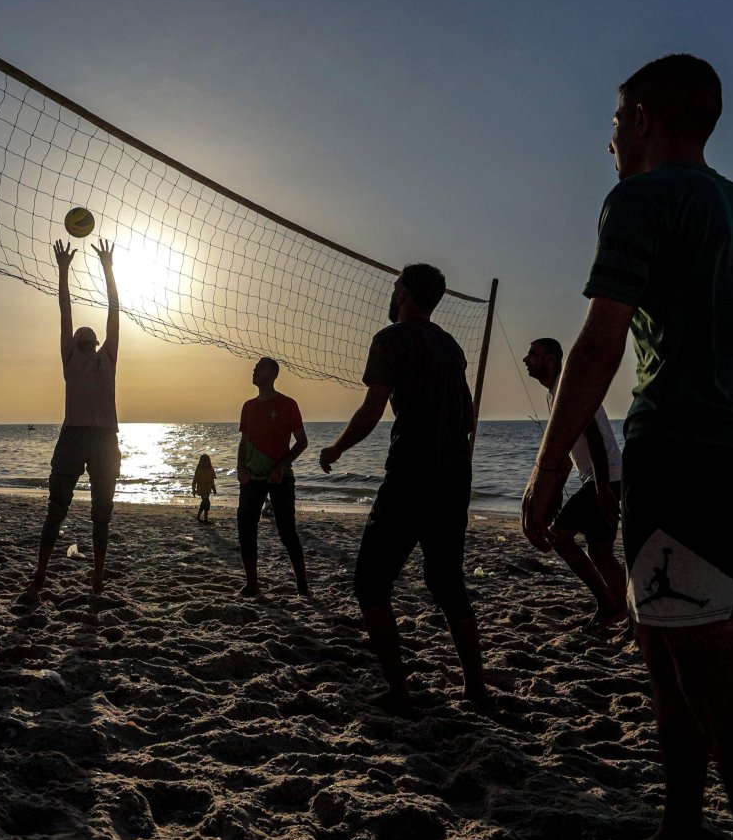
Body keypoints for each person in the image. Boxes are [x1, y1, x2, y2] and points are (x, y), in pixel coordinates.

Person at [520, 55, 733, 840]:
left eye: (617, 120)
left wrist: (548, 467)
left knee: (724, 683)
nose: (611, 138)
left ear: (645, 119)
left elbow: (599, 343)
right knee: (665, 649)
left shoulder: (641, 199)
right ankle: (682, 831)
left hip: (681, 454)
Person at [320, 263, 485, 712]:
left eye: (396, 288)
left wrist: (335, 449)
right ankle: (476, 689)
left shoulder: (389, 339)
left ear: (406, 294)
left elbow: (373, 409)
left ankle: (399, 691)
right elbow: (468, 418)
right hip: (454, 476)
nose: (392, 294)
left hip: (412, 472)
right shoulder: (451, 346)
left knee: (370, 584)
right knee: (447, 582)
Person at [18, 238, 120, 605]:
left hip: (105, 438)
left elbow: (114, 308)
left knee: (101, 514)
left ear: (93, 342)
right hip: (75, 436)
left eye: (86, 336)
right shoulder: (70, 358)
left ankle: (96, 576)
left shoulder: (108, 356)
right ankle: (41, 571)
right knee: (56, 509)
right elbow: (65, 308)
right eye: (80, 336)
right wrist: (63, 269)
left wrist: (108, 268)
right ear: (76, 342)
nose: (83, 337)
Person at [522, 337, 627, 627]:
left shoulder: (569, 389)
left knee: (561, 537)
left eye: (533, 354)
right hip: (606, 477)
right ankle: (628, 613)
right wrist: (554, 490)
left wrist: (602, 489)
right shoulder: (555, 393)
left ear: (551, 359)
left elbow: (594, 438)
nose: (526, 359)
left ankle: (608, 603)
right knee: (601, 552)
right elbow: (569, 450)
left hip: (605, 478)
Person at [237, 358, 309, 596]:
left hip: (280, 477)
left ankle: (302, 585)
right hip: (252, 478)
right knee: (246, 528)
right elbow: (244, 441)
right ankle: (252, 584)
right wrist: (241, 468)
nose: (254, 370)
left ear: (273, 374)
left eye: (260, 368)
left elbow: (302, 442)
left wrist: (280, 466)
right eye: (255, 368)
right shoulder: (248, 406)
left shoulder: (288, 404)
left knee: (287, 532)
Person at [192, 453, 216, 522]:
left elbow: (212, 481)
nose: (205, 463)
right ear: (200, 462)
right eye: (203, 461)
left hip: (208, 489)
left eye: (206, 461)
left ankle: (198, 516)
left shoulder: (210, 470)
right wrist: (193, 490)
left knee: (204, 503)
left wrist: (214, 488)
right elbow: (194, 482)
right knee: (207, 502)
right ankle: (205, 519)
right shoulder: (198, 470)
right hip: (201, 490)